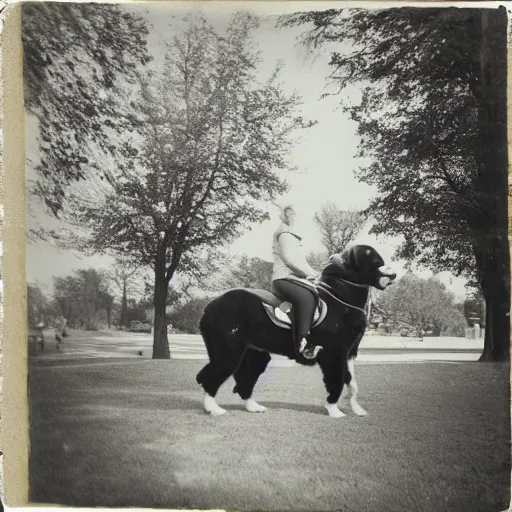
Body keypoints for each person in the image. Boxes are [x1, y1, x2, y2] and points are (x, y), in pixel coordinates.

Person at [271, 205, 323, 361]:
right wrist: (305, 274)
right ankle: (302, 341)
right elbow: (288, 260)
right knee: (306, 297)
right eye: (292, 215)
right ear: (287, 216)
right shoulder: (284, 234)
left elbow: (302, 263)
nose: (294, 219)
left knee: (320, 293)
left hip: (295, 278)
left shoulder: (294, 238)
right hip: (283, 278)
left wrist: (316, 274)